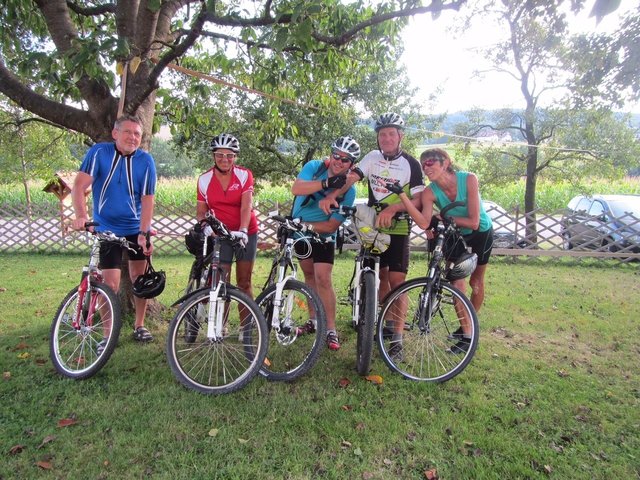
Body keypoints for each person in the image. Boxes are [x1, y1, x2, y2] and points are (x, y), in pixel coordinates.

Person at [388, 147, 493, 354]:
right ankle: (467, 334)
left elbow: (473, 221)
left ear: (445, 163)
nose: (426, 168)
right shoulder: (430, 192)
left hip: (481, 233)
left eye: (430, 163)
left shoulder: (468, 179)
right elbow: (424, 222)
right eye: (423, 164)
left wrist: (443, 218)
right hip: (455, 235)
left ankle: (470, 323)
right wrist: (402, 196)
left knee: (476, 283)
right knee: (457, 283)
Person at [321, 112, 424, 303]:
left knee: (397, 280)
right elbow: (351, 178)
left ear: (401, 135)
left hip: (399, 226)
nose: (386, 139)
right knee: (379, 275)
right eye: (382, 135)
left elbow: (419, 201)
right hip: (372, 224)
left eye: (391, 134)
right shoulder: (373, 157)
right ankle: (380, 322)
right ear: (377, 137)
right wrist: (333, 195)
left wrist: (393, 209)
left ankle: (396, 331)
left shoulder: (411, 164)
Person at [71, 114, 157, 344]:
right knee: (109, 285)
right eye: (128, 132)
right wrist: (81, 216)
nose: (132, 137)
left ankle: (139, 325)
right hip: (107, 229)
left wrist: (145, 232)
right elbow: (79, 186)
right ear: (115, 133)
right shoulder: (99, 152)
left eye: (137, 133)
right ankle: (108, 334)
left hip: (134, 228)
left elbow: (148, 199)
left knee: (140, 279)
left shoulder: (146, 161)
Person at [290, 136, 361, 351]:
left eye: (345, 159)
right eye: (336, 156)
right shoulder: (315, 167)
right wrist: (326, 183)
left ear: (352, 164)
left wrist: (306, 225)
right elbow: (297, 189)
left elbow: (331, 226)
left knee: (323, 278)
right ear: (331, 155)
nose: (339, 161)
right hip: (299, 233)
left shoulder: (349, 191)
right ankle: (313, 321)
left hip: (321, 234)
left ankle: (330, 328)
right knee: (309, 276)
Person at [196, 133, 258, 298]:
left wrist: (243, 230)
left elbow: (246, 206)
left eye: (230, 155)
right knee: (221, 283)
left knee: (244, 282)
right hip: (221, 234)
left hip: (246, 232)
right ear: (213, 156)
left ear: (235, 157)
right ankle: (219, 325)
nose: (225, 159)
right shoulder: (204, 179)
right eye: (220, 155)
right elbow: (201, 211)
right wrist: (205, 225)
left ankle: (248, 324)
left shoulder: (244, 175)